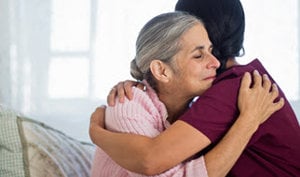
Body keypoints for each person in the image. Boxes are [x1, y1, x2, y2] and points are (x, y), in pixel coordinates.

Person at [92, 0, 300, 176]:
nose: (214, 63)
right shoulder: (228, 86)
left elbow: (150, 158)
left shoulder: (237, 88)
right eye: (198, 54)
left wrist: (96, 131)